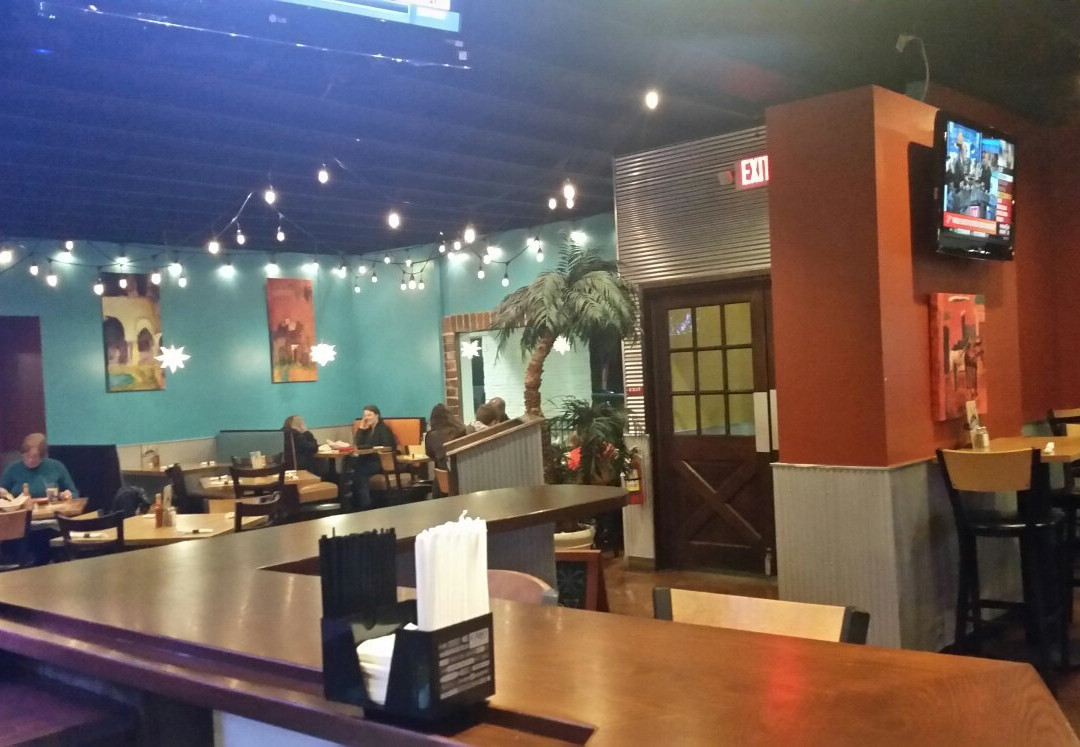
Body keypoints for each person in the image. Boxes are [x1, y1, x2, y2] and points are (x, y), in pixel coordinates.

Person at [0, 433, 78, 499]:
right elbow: (2, 490)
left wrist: (66, 495)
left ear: (43, 456)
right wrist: (3, 493)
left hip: (51, 509)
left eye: (35, 456)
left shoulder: (56, 467)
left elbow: (74, 494)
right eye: (26, 456)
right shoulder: (13, 469)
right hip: (21, 511)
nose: (30, 460)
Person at [352, 405, 396, 510]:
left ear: (377, 415)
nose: (367, 418)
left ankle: (365, 505)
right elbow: (357, 443)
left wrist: (370, 448)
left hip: (381, 461)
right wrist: (361, 427)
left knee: (359, 470)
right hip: (368, 461)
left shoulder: (383, 429)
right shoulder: (367, 430)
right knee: (352, 467)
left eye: (369, 415)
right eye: (365, 416)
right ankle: (357, 504)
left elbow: (388, 446)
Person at [425, 403, 466, 470]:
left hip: (446, 473)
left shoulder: (432, 435)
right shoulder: (461, 430)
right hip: (465, 470)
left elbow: (430, 454)